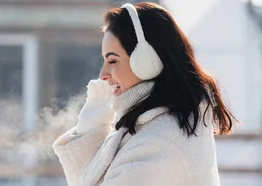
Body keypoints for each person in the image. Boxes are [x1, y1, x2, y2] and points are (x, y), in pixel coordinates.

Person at [52, 2, 237, 186]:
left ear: (147, 61)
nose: (103, 75)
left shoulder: (157, 144)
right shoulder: (150, 130)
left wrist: (90, 137)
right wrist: (89, 131)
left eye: (113, 61)